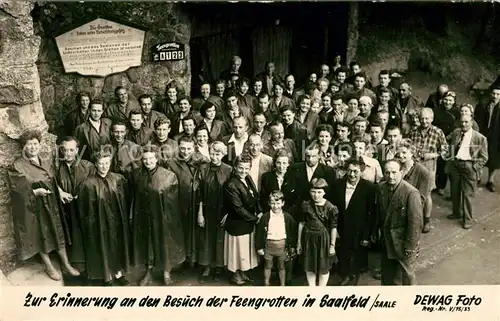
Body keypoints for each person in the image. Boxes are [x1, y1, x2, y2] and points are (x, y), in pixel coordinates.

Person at [8, 130, 80, 281]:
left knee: (58, 231)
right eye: (29, 144)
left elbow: (52, 181)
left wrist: (60, 192)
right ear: (23, 147)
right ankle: (49, 266)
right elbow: (17, 190)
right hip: (35, 208)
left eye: (35, 143)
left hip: (51, 204)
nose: (33, 147)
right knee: (41, 235)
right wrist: (35, 192)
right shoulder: (18, 166)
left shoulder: (46, 161)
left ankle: (66, 264)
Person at [131, 145, 185, 286]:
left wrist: (168, 219)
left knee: (164, 242)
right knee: (146, 244)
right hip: (144, 217)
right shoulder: (136, 174)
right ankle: (147, 273)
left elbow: (173, 203)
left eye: (150, 158)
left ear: (156, 158)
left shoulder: (168, 176)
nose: (148, 162)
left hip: (163, 216)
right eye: (145, 159)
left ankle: (166, 272)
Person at [77, 150, 130, 286]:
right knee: (103, 247)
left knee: (117, 245)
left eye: (106, 163)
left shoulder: (118, 179)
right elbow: (84, 209)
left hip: (117, 220)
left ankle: (118, 274)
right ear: (95, 164)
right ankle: (107, 277)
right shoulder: (88, 184)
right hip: (99, 222)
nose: (104, 166)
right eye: (100, 163)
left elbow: (125, 200)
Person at [376, 160, 423, 285]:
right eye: (387, 172)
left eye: (394, 172)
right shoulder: (381, 188)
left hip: (403, 242)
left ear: (401, 172)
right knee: (388, 276)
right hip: (387, 241)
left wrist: (411, 246)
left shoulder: (411, 193)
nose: (390, 176)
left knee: (407, 276)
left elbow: (415, 223)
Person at [54, 136, 95, 275]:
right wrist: (60, 192)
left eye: (71, 150)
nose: (68, 153)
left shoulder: (87, 166)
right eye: (65, 150)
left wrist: (82, 195)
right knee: (72, 236)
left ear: (77, 150)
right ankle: (78, 268)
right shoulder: (57, 167)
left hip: (86, 209)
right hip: (68, 209)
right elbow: (52, 182)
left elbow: (95, 184)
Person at [332, 158, 376, 285]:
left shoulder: (369, 188)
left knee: (358, 254)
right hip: (341, 227)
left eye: (355, 172)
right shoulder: (337, 184)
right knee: (342, 252)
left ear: (361, 171)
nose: (352, 175)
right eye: (349, 171)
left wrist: (367, 235)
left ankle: (355, 277)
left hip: (359, 229)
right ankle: (345, 275)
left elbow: (371, 213)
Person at [168, 136, 209, 269]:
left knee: (198, 232)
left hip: (198, 203)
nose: (185, 151)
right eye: (183, 148)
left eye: (189, 148)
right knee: (182, 231)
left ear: (194, 148)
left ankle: (197, 260)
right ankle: (184, 259)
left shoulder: (202, 161)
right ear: (178, 147)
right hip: (180, 202)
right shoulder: (172, 163)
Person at [223, 155, 263, 285]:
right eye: (240, 168)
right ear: (235, 168)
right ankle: (236, 276)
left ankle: (242, 273)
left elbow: (255, 197)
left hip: (247, 222)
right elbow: (237, 208)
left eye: (246, 168)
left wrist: (260, 211)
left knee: (245, 251)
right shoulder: (231, 185)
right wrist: (255, 219)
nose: (243, 171)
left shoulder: (248, 178)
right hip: (237, 224)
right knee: (238, 251)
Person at [197, 142, 233, 283]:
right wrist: (200, 213)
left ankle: (218, 268)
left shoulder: (228, 170)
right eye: (212, 154)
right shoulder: (203, 168)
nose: (214, 157)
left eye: (218, 154)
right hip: (207, 209)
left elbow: (231, 193)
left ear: (223, 154)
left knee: (220, 239)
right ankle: (206, 268)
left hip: (222, 210)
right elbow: (199, 193)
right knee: (206, 238)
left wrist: (228, 212)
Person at [447, 114, 488, 229]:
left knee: (467, 194)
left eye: (466, 122)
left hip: (469, 165)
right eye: (462, 122)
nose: (463, 124)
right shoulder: (456, 132)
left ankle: (468, 219)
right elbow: (449, 144)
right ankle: (456, 213)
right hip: (456, 164)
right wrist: (450, 157)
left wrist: (474, 167)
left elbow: (484, 157)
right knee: (454, 191)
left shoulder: (480, 138)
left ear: (472, 122)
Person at [297, 178, 338, 286]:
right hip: (308, 239)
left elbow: (333, 227)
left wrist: (332, 245)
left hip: (323, 239)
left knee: (323, 266)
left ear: (324, 192)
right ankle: (312, 288)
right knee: (309, 265)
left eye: (319, 192)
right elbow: (301, 223)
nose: (316, 195)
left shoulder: (330, 207)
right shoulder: (306, 205)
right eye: (313, 192)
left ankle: (321, 289)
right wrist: (299, 243)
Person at [255, 190, 298, 286]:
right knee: (267, 266)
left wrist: (292, 246)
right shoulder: (265, 217)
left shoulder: (287, 217)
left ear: (283, 203)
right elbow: (259, 233)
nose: (275, 206)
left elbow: (292, 232)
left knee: (282, 267)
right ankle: (267, 283)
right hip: (269, 246)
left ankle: (282, 285)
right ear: (269, 203)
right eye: (273, 203)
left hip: (282, 247)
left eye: (278, 203)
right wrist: (259, 247)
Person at [396, 139, 433, 233]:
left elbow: (421, 199)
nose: (400, 155)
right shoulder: (395, 166)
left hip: (411, 210)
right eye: (398, 152)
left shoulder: (423, 172)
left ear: (412, 152)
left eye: (404, 152)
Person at [475, 86, 500, 192]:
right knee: (480, 154)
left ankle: (490, 180)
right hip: (484, 133)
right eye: (494, 94)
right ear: (490, 94)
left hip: (497, 135)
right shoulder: (484, 105)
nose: (495, 96)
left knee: (494, 158)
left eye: (498, 94)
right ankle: (478, 177)